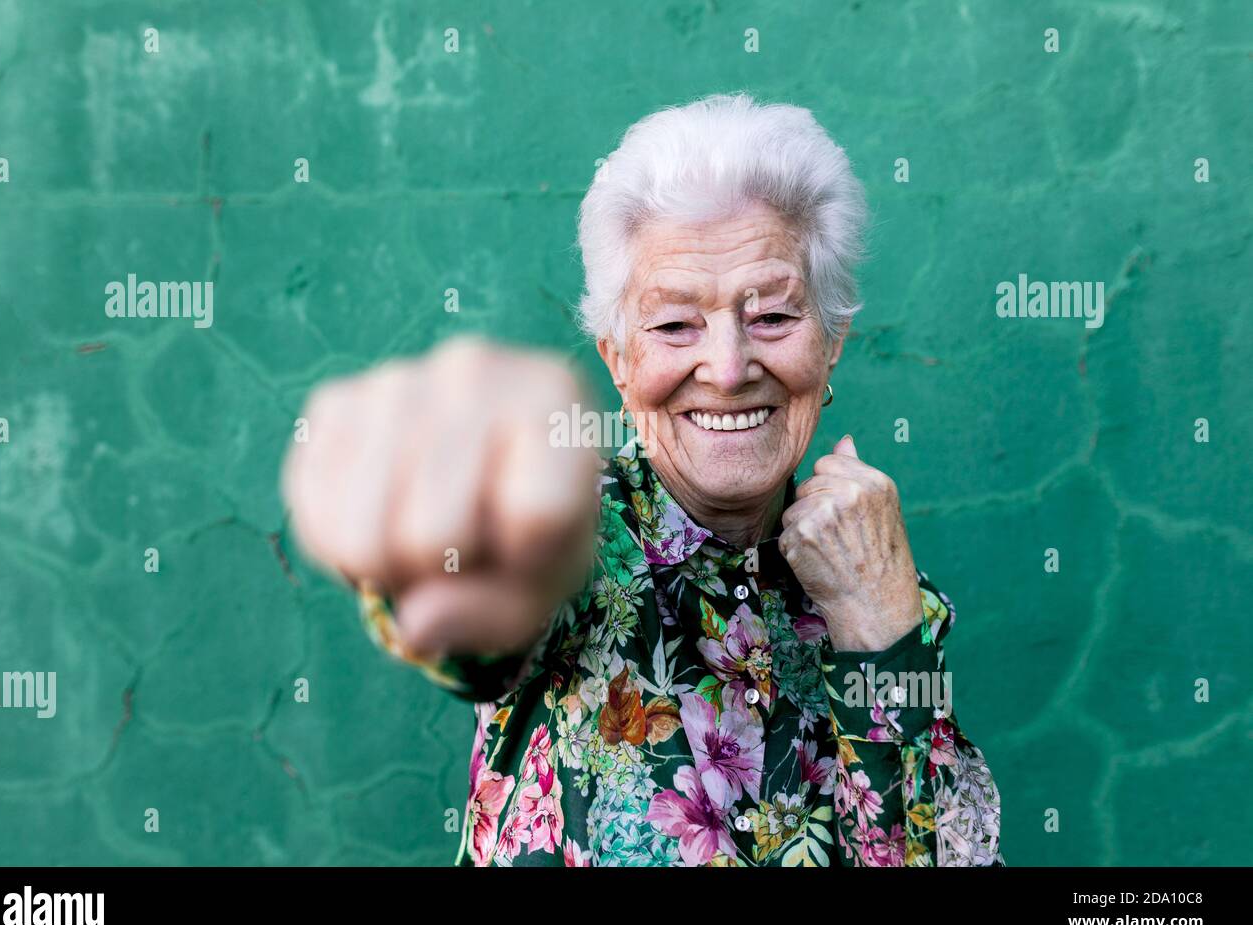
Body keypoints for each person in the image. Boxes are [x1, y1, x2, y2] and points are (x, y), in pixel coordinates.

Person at [283, 93, 1003, 867]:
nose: (727, 369)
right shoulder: (579, 532)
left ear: (831, 346)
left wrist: (881, 634)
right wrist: (437, 531)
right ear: (618, 363)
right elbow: (484, 601)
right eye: (673, 326)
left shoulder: (871, 566)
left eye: (771, 318)